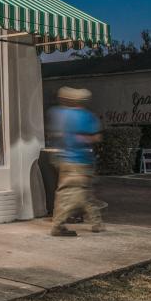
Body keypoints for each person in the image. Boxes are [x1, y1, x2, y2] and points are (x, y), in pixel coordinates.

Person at [48, 86, 104, 237]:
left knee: (81, 191)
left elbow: (56, 135)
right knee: (73, 194)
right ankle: (58, 226)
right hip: (80, 160)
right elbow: (95, 137)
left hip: (64, 159)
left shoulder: (58, 113)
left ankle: (97, 222)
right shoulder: (85, 116)